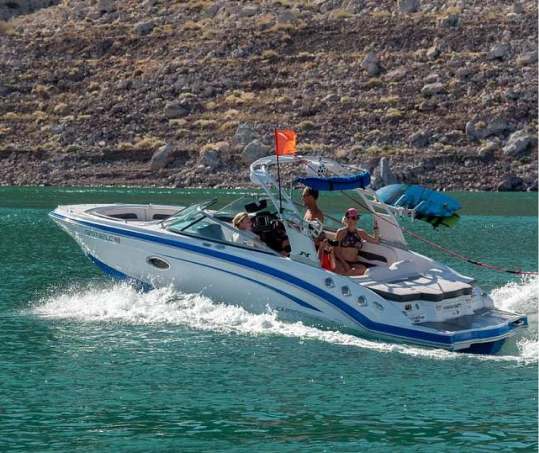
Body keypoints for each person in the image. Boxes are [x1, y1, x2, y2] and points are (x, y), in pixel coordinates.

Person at [334, 208, 380, 276]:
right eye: (353, 218)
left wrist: (375, 226)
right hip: (341, 261)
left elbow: (376, 241)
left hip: (353, 262)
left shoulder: (361, 232)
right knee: (343, 271)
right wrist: (345, 264)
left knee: (363, 270)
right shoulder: (341, 232)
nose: (355, 220)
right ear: (348, 218)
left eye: (357, 217)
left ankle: (345, 276)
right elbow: (336, 250)